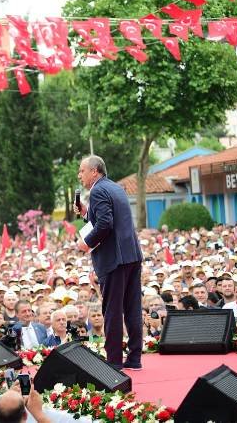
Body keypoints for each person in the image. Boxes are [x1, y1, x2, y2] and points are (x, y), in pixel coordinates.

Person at [76, 155, 143, 370]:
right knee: (132, 307)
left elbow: (105, 224)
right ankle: (134, 359)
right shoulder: (115, 187)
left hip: (115, 259)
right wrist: (87, 214)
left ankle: (114, 362)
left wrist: (86, 243)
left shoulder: (97, 190)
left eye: (82, 171)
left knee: (113, 310)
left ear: (94, 171)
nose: (79, 175)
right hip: (131, 255)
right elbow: (106, 219)